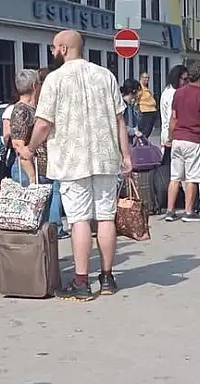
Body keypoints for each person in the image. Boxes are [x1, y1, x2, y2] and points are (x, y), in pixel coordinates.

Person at [21, 30, 132, 301]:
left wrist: (31, 147)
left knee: (79, 219)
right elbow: (120, 121)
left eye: (53, 47)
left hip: (72, 160)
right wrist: (126, 156)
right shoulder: (105, 75)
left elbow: (44, 123)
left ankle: (81, 281)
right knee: (106, 216)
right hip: (105, 157)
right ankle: (107, 277)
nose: (51, 52)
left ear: (63, 48)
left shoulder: (55, 80)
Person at [10, 68, 66, 238]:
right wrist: (33, 178)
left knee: (43, 223)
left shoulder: (33, 108)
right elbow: (19, 146)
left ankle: (45, 259)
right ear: (35, 86)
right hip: (30, 172)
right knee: (33, 222)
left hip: (42, 170)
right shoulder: (21, 110)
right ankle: (35, 259)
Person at [163, 61, 200, 222]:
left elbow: (173, 117)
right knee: (192, 177)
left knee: (175, 177)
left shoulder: (178, 93)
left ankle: (170, 211)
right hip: (194, 140)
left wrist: (170, 136)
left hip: (178, 140)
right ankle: (189, 212)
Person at [159, 64, 188, 165]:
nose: (186, 82)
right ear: (177, 78)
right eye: (184, 79)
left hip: (169, 133)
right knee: (175, 170)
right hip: (172, 134)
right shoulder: (173, 94)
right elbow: (173, 117)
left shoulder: (166, 91)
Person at [137, 70, 158, 139]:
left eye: (148, 78)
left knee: (148, 131)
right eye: (145, 77)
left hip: (151, 111)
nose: (147, 79)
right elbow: (136, 100)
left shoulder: (146, 88)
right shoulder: (140, 88)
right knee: (145, 132)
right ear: (141, 78)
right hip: (146, 112)